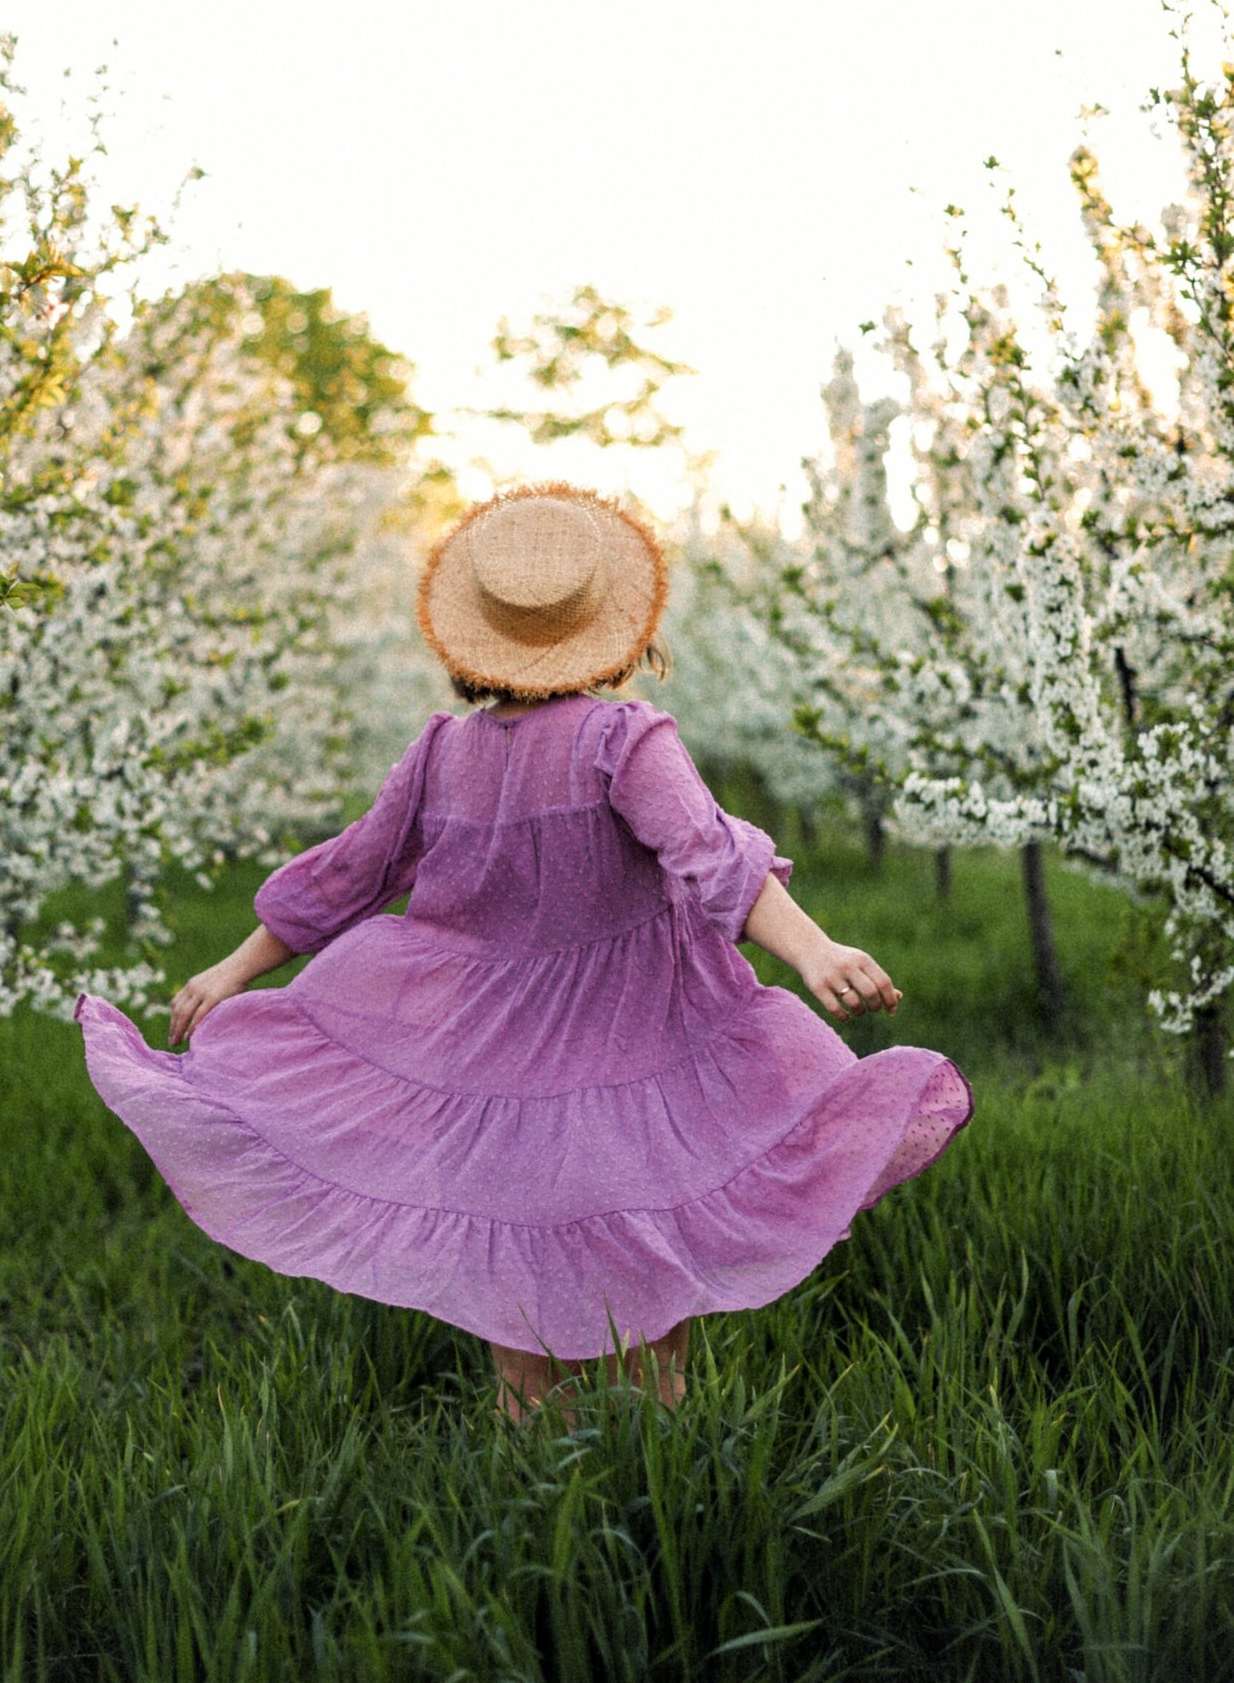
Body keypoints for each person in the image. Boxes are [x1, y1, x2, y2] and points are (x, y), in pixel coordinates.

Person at [77, 482, 972, 1426]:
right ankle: (654, 1501)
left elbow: (348, 876)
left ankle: (533, 1510)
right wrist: (816, 947)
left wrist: (233, 968)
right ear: (615, 625)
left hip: (491, 1074)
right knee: (653, 1320)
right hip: (637, 1066)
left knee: (522, 1328)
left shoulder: (439, 753)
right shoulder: (623, 741)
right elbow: (712, 858)